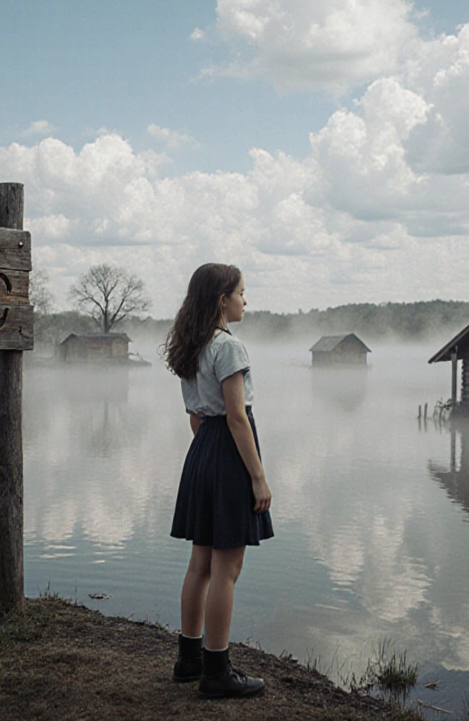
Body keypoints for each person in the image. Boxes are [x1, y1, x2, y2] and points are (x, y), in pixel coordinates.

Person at [162, 263, 274, 699]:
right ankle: (216, 671)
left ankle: (188, 660)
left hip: (202, 448)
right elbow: (236, 416)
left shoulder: (191, 346)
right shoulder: (228, 347)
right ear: (222, 299)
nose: (246, 300)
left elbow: (197, 416)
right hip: (227, 451)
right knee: (227, 569)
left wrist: (209, 458)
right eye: (242, 292)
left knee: (200, 564)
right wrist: (258, 477)